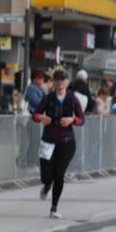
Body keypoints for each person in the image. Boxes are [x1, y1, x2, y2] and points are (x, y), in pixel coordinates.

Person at [32, 68, 84, 218]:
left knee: (59, 174)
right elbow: (35, 115)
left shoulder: (72, 99)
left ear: (67, 82)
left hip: (67, 142)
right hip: (48, 141)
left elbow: (82, 119)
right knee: (46, 176)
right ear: (53, 82)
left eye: (63, 79)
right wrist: (42, 118)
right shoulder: (47, 98)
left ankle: (53, 208)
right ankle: (47, 185)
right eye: (57, 79)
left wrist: (72, 120)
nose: (60, 82)